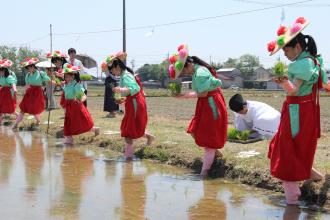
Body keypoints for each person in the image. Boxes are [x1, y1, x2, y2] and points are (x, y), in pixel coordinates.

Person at [267, 17, 330, 205]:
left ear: (297, 47)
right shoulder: (311, 60)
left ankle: (292, 204)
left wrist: (282, 82)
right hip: (305, 109)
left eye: (286, 49)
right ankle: (315, 176)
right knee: (298, 147)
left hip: (298, 111)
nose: (284, 54)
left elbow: (293, 89)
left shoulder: (301, 64)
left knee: (288, 150)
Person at [168, 44, 227, 177]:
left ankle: (204, 173)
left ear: (189, 64)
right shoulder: (197, 71)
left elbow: (203, 93)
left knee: (209, 138)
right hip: (205, 103)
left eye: (183, 71)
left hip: (211, 103)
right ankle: (214, 153)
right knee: (194, 130)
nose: (184, 74)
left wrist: (183, 96)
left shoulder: (200, 73)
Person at [103, 52, 154, 159]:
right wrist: (121, 100)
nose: (112, 73)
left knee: (128, 132)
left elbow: (135, 89)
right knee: (130, 128)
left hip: (136, 103)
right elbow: (129, 93)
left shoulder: (126, 76)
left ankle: (128, 159)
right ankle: (148, 138)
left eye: (112, 70)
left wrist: (120, 90)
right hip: (132, 102)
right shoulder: (123, 76)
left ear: (117, 67)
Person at [60, 63, 99, 145]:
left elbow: (84, 95)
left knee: (81, 123)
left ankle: (95, 129)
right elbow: (65, 91)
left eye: (69, 76)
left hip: (76, 106)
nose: (68, 78)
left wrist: (81, 99)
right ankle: (69, 139)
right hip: (69, 106)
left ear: (73, 76)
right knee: (68, 123)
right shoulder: (67, 84)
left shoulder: (76, 85)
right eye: (66, 77)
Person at [12, 58, 51, 129]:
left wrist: (52, 80)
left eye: (31, 66)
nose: (30, 68)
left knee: (34, 108)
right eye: (28, 68)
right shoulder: (28, 75)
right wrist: (24, 92)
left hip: (38, 93)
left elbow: (48, 80)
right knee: (23, 109)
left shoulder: (40, 73)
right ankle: (16, 124)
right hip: (29, 93)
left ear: (34, 66)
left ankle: (38, 121)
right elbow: (27, 85)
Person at [0, 59, 17, 124]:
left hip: (8, 93)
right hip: (2, 92)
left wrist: (15, 89)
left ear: (3, 71)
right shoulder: (1, 77)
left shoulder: (8, 77)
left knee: (9, 107)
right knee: (1, 108)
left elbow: (13, 83)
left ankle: (18, 116)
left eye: (0, 71)